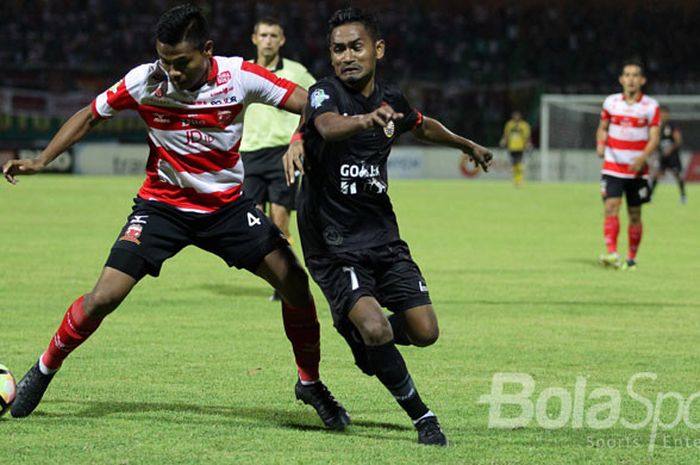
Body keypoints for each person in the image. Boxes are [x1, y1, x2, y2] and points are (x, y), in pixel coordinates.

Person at [2, 4, 350, 430]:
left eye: (181, 62)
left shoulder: (238, 77)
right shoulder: (145, 80)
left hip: (226, 210)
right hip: (161, 208)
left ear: (207, 50)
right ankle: (45, 367)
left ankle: (310, 382)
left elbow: (310, 102)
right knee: (103, 297)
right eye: (164, 60)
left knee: (295, 281)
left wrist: (300, 137)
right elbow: (90, 115)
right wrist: (42, 160)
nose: (171, 72)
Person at [283, 7, 492, 446]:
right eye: (338, 49)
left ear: (378, 49)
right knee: (376, 328)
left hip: (382, 236)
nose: (346, 57)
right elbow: (326, 126)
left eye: (356, 47)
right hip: (333, 242)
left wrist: (463, 142)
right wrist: (362, 120)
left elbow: (420, 125)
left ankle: (364, 335)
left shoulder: (392, 100)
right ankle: (423, 417)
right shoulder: (325, 94)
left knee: (424, 331)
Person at [240, 17, 316, 301]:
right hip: (248, 154)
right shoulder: (244, 71)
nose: (268, 40)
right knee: (254, 222)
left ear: (282, 40)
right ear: (254, 38)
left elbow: (316, 99)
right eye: (264, 35)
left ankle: (284, 281)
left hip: (282, 154)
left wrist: (301, 139)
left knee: (280, 220)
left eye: (274, 35)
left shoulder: (296, 72)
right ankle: (280, 273)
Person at [596, 60, 660, 270]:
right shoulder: (611, 102)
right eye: (627, 75)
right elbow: (603, 127)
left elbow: (654, 137)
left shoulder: (650, 106)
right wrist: (600, 143)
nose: (631, 79)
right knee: (611, 207)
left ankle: (631, 257)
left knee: (635, 214)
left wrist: (643, 158)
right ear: (621, 79)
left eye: (635, 75)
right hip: (613, 166)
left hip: (637, 171)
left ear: (642, 80)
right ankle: (612, 253)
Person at [650, 106, 687, 204]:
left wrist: (670, 150)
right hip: (662, 156)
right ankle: (650, 195)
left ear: (667, 114)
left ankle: (683, 196)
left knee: (677, 174)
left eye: (663, 113)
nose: (662, 116)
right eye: (660, 114)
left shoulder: (672, 125)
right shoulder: (658, 126)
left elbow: (678, 140)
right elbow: (655, 141)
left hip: (672, 156)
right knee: (657, 174)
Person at [499, 110, 531, 187]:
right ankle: (516, 180)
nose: (516, 117)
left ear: (520, 117)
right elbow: (506, 135)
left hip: (520, 147)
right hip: (511, 147)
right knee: (514, 165)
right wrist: (503, 141)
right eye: (514, 116)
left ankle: (520, 180)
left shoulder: (524, 125)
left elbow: (526, 136)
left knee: (519, 164)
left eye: (517, 116)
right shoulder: (509, 125)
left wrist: (528, 144)